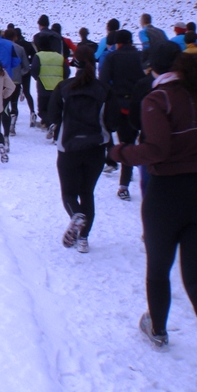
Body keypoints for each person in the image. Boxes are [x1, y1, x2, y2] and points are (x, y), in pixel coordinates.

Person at [109, 47, 197, 392]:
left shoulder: (157, 100)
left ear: (153, 69)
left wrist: (119, 153)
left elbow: (156, 151)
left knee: (159, 267)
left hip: (168, 193)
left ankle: (159, 329)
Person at [50, 44, 120, 252]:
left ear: (74, 63)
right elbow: (113, 122)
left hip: (68, 147)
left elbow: (52, 116)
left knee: (69, 193)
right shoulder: (104, 90)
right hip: (95, 147)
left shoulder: (63, 87)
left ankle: (75, 215)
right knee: (87, 192)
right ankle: (83, 239)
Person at [100, 30, 145, 201]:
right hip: (138, 104)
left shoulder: (112, 57)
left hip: (117, 104)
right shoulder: (140, 56)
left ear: (118, 43)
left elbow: (103, 81)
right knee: (132, 142)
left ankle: (114, 161)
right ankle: (126, 182)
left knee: (110, 135)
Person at [32, 36, 68, 132]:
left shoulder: (39, 56)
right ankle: (55, 124)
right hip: (58, 87)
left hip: (43, 85)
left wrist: (38, 78)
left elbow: (34, 70)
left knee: (42, 109)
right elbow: (66, 71)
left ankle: (50, 123)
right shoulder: (59, 57)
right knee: (56, 108)